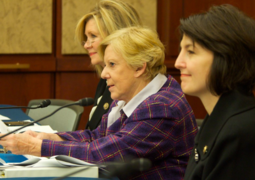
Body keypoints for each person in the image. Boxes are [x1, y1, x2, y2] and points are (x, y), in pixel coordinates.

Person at [0, 27, 198, 179]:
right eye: (105, 65)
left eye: (112, 65)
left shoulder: (161, 107)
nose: (104, 74)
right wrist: (53, 138)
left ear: (139, 67)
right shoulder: (130, 95)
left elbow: (106, 153)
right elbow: (97, 136)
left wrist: (37, 147)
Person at [175, 4, 255, 179]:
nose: (177, 62)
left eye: (190, 51)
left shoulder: (242, 131)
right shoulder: (219, 118)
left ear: (225, 57)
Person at [75, 0, 142, 130]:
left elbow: (109, 145)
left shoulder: (132, 86)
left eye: (93, 36)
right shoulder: (105, 80)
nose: (86, 45)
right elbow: (94, 135)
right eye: (86, 38)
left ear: (116, 35)